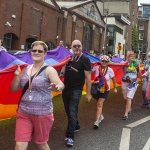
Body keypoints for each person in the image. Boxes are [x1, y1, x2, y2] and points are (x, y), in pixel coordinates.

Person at [11, 41, 64, 150]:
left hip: (42, 114)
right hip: (24, 113)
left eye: (40, 51)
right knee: (19, 145)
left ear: (45, 53)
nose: (36, 52)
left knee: (40, 143)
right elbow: (14, 89)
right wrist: (16, 76)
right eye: (34, 50)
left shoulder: (49, 70)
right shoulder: (25, 69)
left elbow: (61, 84)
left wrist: (57, 87)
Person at [61, 40, 91, 147]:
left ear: (82, 46)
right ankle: (76, 125)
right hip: (65, 89)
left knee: (72, 111)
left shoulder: (85, 59)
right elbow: (62, 72)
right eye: (75, 46)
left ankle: (70, 136)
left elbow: (88, 77)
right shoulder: (68, 58)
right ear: (72, 47)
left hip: (76, 90)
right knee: (68, 111)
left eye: (79, 45)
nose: (77, 47)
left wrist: (88, 93)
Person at [91, 55, 117, 129]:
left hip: (105, 90)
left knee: (99, 104)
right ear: (100, 61)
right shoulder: (96, 68)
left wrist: (115, 88)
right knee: (97, 104)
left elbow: (113, 79)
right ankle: (100, 116)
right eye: (103, 61)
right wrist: (91, 66)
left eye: (106, 61)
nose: (104, 62)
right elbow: (89, 72)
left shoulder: (110, 70)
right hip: (97, 89)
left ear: (108, 62)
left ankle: (96, 121)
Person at [121, 52, 142, 120]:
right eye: (131, 56)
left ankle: (126, 114)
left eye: (134, 56)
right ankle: (129, 109)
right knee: (125, 98)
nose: (133, 57)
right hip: (124, 82)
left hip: (133, 83)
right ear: (128, 57)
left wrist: (142, 79)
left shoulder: (136, 65)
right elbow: (117, 67)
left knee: (128, 97)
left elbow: (139, 73)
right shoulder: (124, 64)